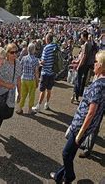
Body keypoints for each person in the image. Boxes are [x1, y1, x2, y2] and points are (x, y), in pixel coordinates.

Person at [50, 50, 104, 183]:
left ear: (102, 65)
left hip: (81, 125)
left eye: (96, 62)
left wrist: (80, 133)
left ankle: (69, 176)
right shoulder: (101, 82)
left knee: (66, 153)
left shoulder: (98, 85)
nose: (94, 64)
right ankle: (59, 176)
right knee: (71, 153)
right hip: (87, 125)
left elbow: (91, 112)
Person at [0, 43, 22, 143]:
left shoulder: (18, 63)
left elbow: (18, 79)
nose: (15, 54)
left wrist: (20, 92)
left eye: (16, 52)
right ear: (7, 53)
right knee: (1, 113)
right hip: (1, 92)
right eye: (12, 52)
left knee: (8, 114)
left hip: (12, 93)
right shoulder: (3, 63)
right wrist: (6, 85)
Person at [33, 33, 57, 112]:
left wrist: (38, 61)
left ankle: (38, 106)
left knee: (42, 90)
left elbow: (43, 61)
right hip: (53, 71)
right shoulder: (56, 46)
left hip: (45, 72)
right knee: (49, 90)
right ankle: (46, 104)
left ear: (47, 39)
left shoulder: (46, 48)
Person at [18, 43, 40, 114]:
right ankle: (30, 110)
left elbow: (20, 68)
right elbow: (36, 72)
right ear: (33, 50)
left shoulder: (24, 58)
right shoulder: (36, 60)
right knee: (31, 95)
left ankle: (20, 108)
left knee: (23, 94)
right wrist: (37, 81)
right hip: (31, 79)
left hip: (23, 78)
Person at [72, 31, 93, 103]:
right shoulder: (90, 43)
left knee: (78, 80)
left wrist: (79, 65)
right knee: (82, 80)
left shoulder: (85, 45)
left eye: (81, 35)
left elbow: (84, 56)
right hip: (87, 64)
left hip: (83, 64)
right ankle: (78, 94)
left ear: (83, 36)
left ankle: (76, 95)